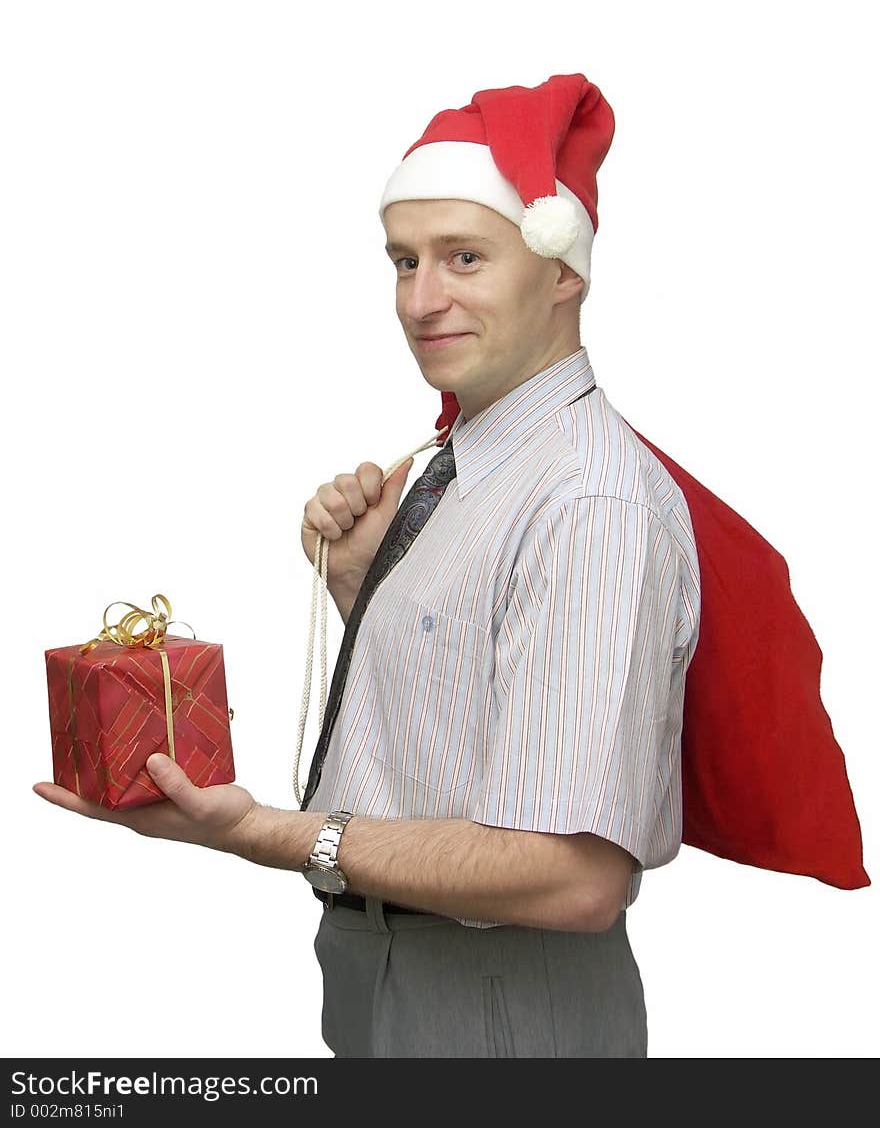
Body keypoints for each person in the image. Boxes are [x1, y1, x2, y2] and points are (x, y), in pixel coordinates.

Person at [33, 74, 701, 1059]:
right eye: (403, 261)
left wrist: (266, 832)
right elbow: (478, 728)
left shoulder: (584, 502)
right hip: (395, 975)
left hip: (494, 1001)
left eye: (463, 257)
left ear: (562, 271)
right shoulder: (460, 469)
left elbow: (571, 878)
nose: (420, 301)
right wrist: (364, 586)